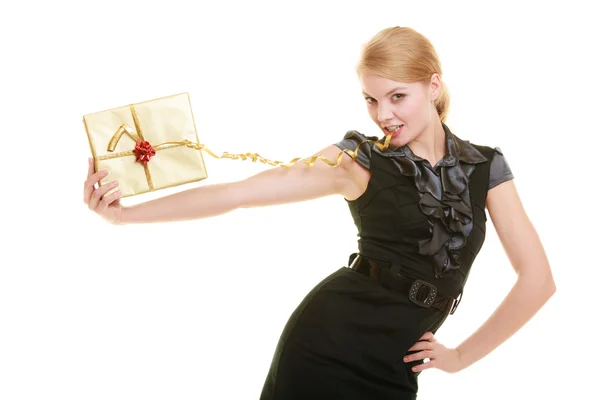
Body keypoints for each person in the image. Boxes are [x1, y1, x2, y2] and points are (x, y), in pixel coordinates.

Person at [82, 26, 556, 399]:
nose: (383, 115)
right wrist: (123, 216)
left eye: (397, 97)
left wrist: (460, 357)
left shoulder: (484, 166)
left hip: (395, 367)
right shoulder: (358, 161)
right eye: (371, 99)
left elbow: (538, 279)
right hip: (327, 349)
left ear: (433, 86)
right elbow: (240, 194)